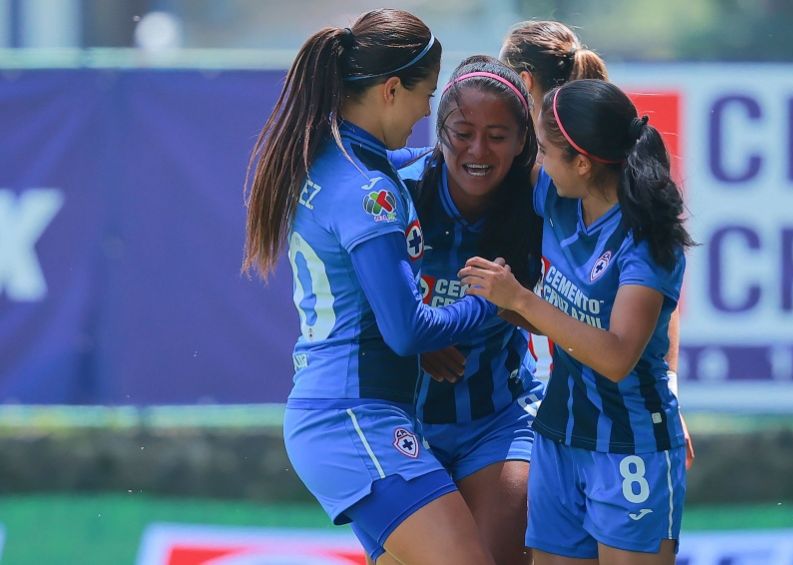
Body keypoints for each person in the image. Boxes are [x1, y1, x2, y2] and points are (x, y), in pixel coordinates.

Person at [242, 10, 496, 565]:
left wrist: (480, 152)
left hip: (343, 415)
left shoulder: (339, 162)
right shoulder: (367, 192)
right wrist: (500, 304)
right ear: (389, 90)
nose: (426, 112)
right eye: (424, 94)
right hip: (353, 418)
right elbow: (408, 331)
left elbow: (422, 163)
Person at [460, 79, 695, 564]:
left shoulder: (646, 242)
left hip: (630, 445)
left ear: (583, 163)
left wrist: (521, 301)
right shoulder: (558, 197)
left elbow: (615, 355)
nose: (538, 164)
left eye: (545, 152)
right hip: (558, 436)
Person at [500, 21, 693, 468]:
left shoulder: (563, 174)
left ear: (523, 83)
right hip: (555, 410)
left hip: (610, 420)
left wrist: (665, 398)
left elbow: (654, 298)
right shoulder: (554, 176)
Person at [392, 55, 543, 565]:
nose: (478, 150)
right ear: (439, 131)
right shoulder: (395, 191)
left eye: (498, 135)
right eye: (462, 132)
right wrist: (413, 338)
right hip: (399, 425)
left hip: (499, 418)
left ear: (523, 142)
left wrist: (514, 304)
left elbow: (578, 309)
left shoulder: (541, 203)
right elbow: (343, 295)